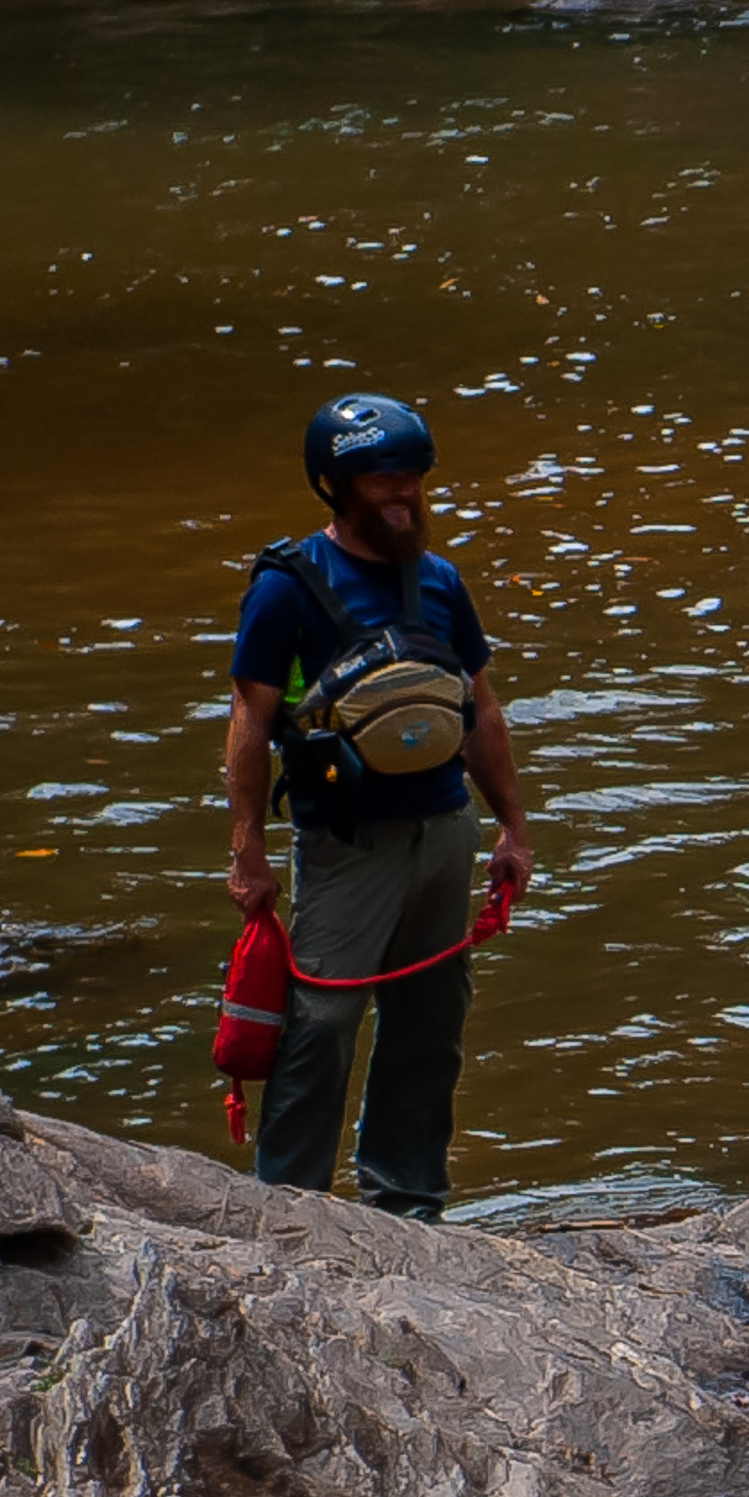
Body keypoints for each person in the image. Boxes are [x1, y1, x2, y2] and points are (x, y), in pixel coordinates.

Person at [221, 391, 539, 1214]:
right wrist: (248, 848)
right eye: (381, 480)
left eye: (411, 476)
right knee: (322, 1024)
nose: (403, 493)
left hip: (443, 831)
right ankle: (286, 1207)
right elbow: (251, 722)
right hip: (345, 841)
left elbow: (483, 708)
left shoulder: (438, 583)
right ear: (334, 486)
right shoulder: (287, 588)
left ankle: (408, 1202)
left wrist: (511, 826)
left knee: (431, 1021)